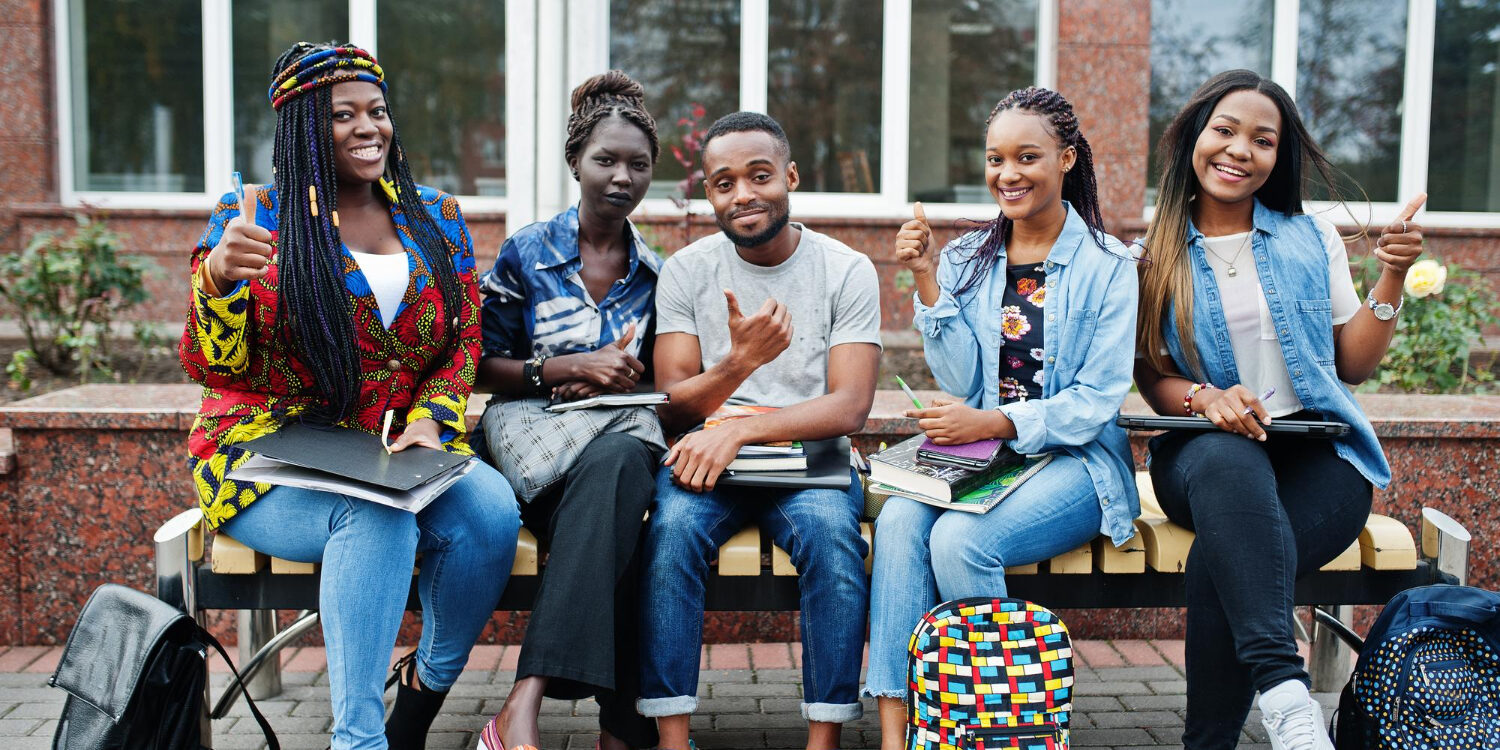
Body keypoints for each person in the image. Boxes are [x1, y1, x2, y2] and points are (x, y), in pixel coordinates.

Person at [179, 41, 521, 750]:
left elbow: (462, 342)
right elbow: (216, 367)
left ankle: (421, 693)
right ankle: (358, 740)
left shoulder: (436, 216)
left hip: (392, 450)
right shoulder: (257, 218)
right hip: (264, 458)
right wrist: (217, 283)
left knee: (490, 511)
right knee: (376, 519)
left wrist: (433, 420)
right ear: (304, 126)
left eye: (378, 110)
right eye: (343, 115)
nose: (370, 127)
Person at [1134, 70, 1426, 750]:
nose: (1240, 150)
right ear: (1195, 138)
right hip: (1203, 451)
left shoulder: (1308, 238)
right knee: (1231, 470)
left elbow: (1351, 364)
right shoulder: (1154, 255)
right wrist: (1206, 398)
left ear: (1278, 157)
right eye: (1226, 131)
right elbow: (1154, 375)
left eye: (1262, 140)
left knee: (1227, 558)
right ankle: (1288, 695)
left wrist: (1391, 276)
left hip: (1314, 456)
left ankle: (1220, 738)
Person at [863, 86, 1141, 748]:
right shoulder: (967, 258)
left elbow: (1098, 400)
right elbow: (961, 380)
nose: (1007, 174)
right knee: (901, 520)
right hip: (984, 458)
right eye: (994, 159)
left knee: (962, 542)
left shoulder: (1108, 267)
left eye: (1027, 157)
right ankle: (898, 734)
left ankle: (991, 728)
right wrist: (928, 277)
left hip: (1074, 463)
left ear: (1067, 159)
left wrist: (994, 425)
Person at [637, 111, 882, 750]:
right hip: (707, 461)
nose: (742, 193)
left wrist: (740, 432)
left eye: (759, 175)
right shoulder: (687, 270)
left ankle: (823, 736)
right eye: (723, 182)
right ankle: (671, 737)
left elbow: (850, 405)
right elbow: (674, 403)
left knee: (833, 540)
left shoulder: (845, 269)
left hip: (809, 463)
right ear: (709, 194)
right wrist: (742, 361)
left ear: (791, 177)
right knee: (669, 535)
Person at [471, 70, 664, 750]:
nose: (621, 176)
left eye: (637, 165)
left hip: (615, 441)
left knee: (618, 480)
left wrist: (615, 386)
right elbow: (479, 365)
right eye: (605, 160)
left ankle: (525, 702)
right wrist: (566, 368)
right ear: (575, 163)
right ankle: (622, 728)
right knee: (622, 518)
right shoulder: (528, 251)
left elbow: (666, 384)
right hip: (537, 447)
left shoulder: (657, 273)